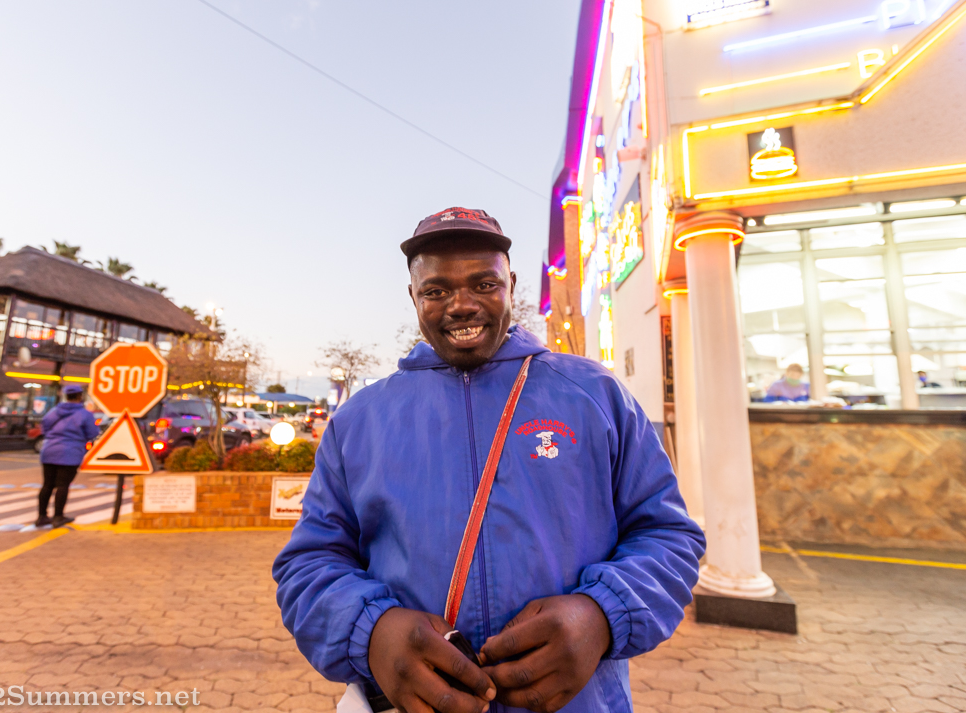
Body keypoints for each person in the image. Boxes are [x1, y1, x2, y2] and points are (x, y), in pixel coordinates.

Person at [273, 207, 705, 713]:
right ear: (413, 297)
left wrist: (603, 613)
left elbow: (670, 536)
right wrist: (370, 631)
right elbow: (308, 564)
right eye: (436, 291)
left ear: (512, 285)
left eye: (483, 284)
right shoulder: (358, 421)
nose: (461, 305)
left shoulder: (595, 395)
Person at [36, 384, 98, 528]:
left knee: (47, 484)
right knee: (63, 485)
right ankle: (58, 517)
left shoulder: (54, 411)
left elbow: (44, 426)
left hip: (49, 451)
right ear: (79, 396)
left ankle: (41, 517)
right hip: (70, 452)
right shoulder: (85, 414)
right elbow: (92, 433)